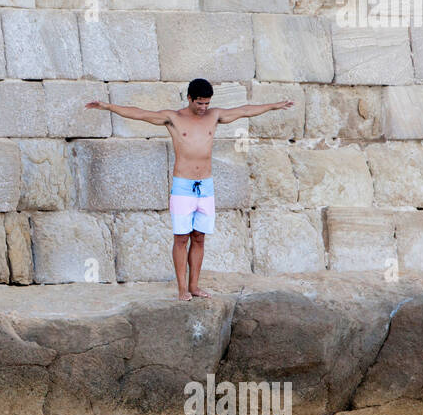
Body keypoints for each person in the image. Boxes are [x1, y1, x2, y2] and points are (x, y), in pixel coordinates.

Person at [86, 79, 294, 301]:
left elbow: (244, 111)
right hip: (183, 186)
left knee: (199, 237)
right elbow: (140, 113)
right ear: (189, 98)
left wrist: (274, 105)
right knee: (181, 239)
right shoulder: (174, 118)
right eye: (200, 103)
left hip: (206, 186)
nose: (203, 108)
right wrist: (108, 107)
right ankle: (182, 288)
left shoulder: (214, 116)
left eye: (207, 103)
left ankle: (194, 286)